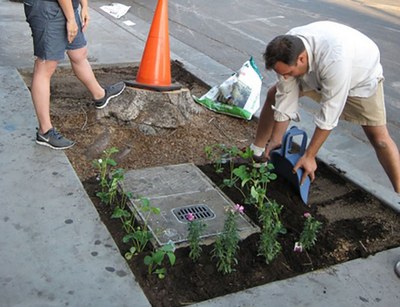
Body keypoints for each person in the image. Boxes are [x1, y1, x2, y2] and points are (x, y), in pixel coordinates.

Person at [250, 21, 400, 193]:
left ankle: (399, 192)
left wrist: (309, 155)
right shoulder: (288, 48)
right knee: (273, 94)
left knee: (379, 139)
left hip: (359, 80)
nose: (285, 76)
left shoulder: (336, 59)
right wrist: (276, 138)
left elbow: (329, 113)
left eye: (288, 73)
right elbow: (285, 96)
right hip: (315, 73)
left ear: (302, 58)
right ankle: (257, 152)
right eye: (281, 73)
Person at [23, 0, 125, 149]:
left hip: (68, 6)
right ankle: (45, 131)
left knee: (79, 53)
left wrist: (84, 6)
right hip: (47, 8)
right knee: (45, 66)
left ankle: (100, 95)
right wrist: (71, 19)